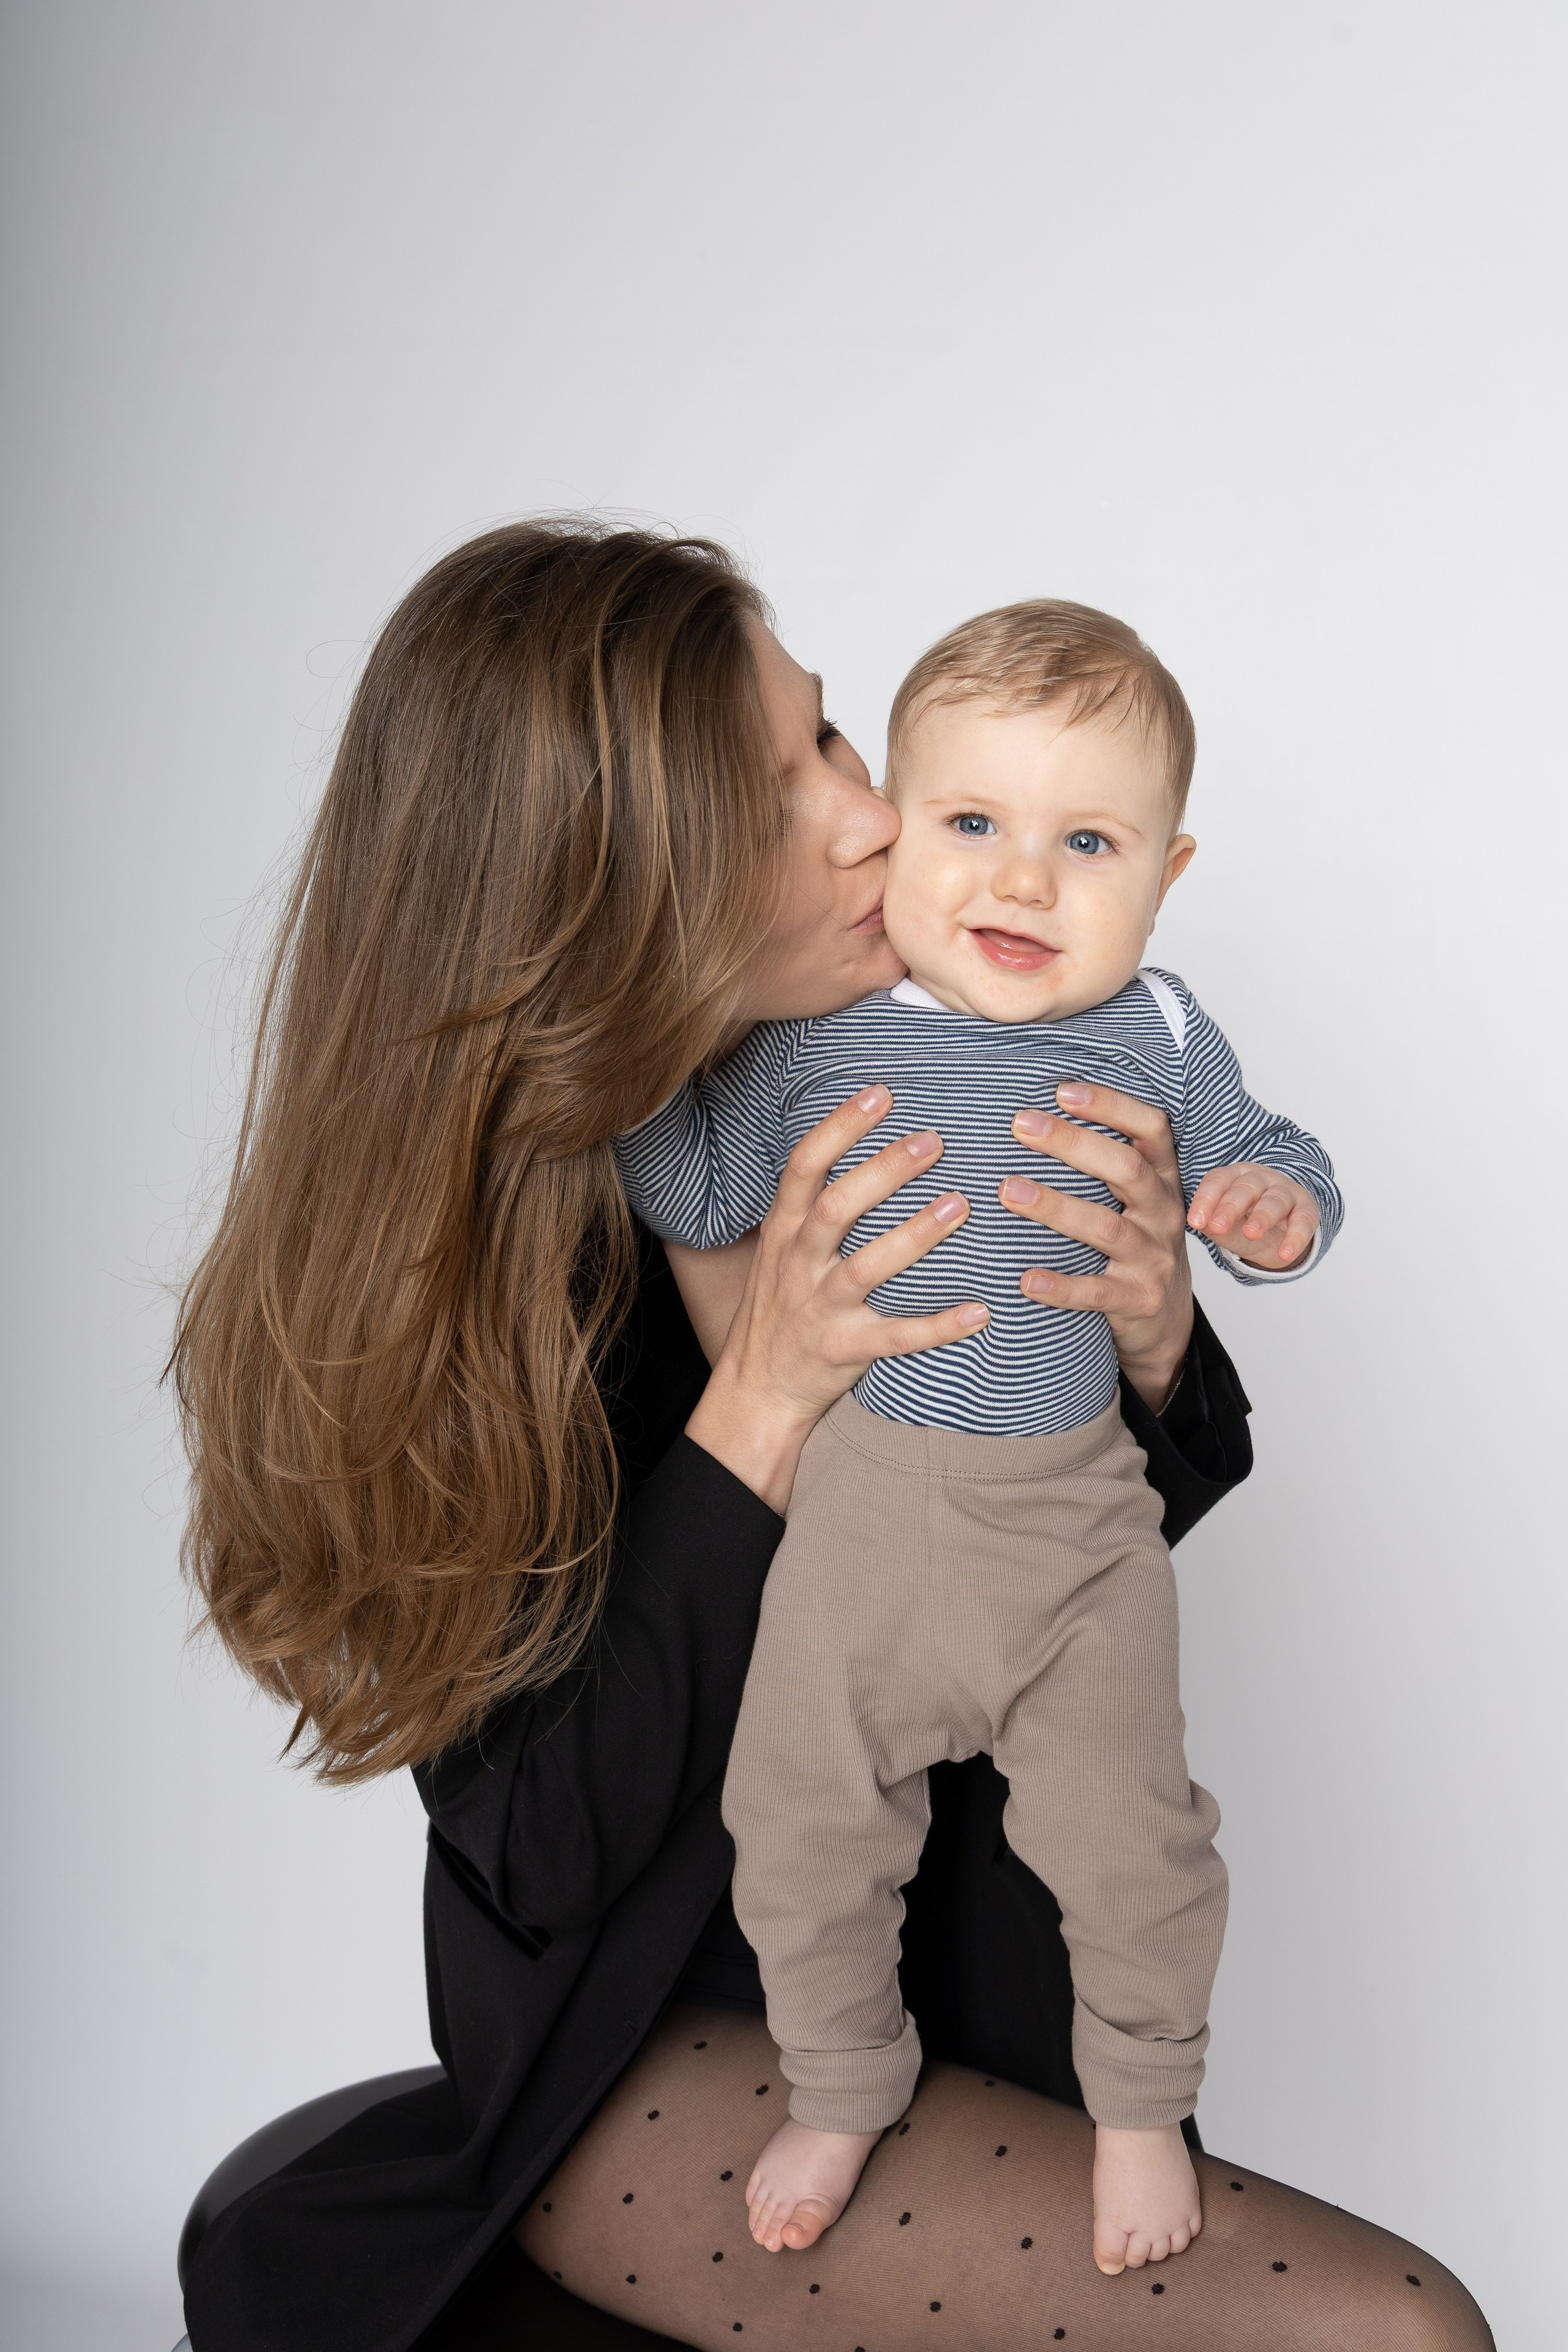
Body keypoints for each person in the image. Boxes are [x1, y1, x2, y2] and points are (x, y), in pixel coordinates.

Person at [172, 520, 1491, 2352]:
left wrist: (1155, 1338)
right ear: (615, 882)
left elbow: (1077, 1524)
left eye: (831, 737)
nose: (873, 816)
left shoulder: (961, 1058)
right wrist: (763, 1401)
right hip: (649, 2049)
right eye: (781, 781)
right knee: (1389, 2330)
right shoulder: (509, 1265)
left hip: (975, 1959)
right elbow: (548, 1855)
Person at [612, 598, 1344, 2276]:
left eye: (1086, 842)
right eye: (973, 826)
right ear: (906, 842)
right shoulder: (802, 1044)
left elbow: (1269, 1148)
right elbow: (700, 1189)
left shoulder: (1157, 1034)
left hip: (1079, 1537)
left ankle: (1143, 2104)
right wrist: (643, 1070)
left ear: (1166, 874)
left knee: (1135, 1838)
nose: (1021, 882)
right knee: (797, 1824)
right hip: (861, 1522)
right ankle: (842, 2080)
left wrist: (1268, 1204)